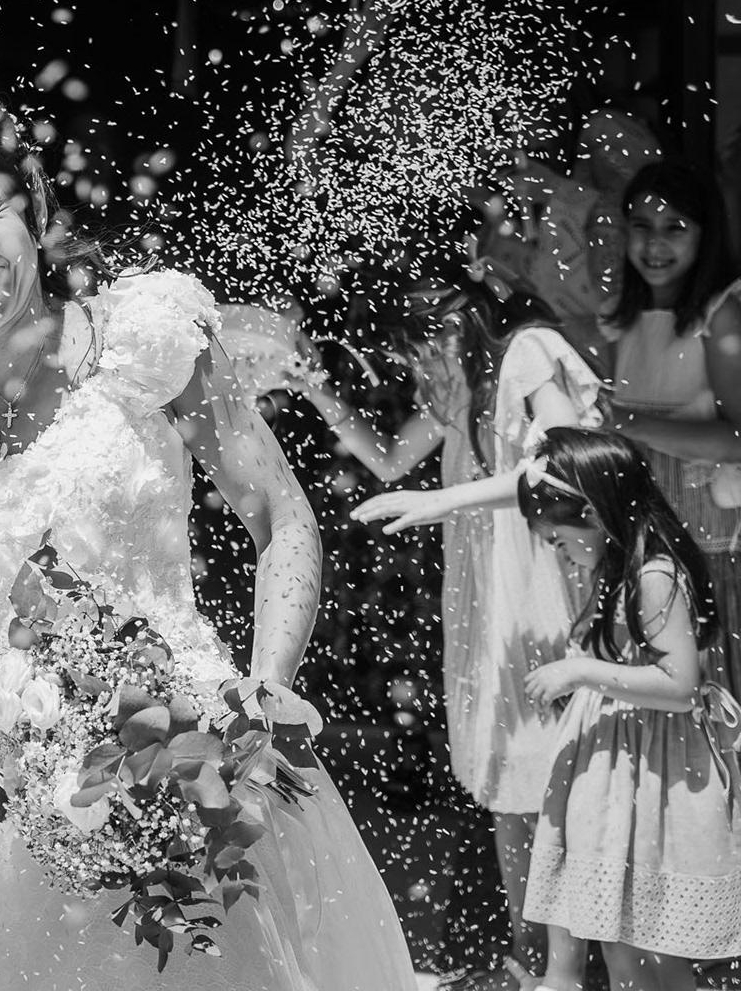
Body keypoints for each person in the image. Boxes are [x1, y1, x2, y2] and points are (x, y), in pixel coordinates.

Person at [0, 78, 412, 989]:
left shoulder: (145, 339)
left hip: (188, 757)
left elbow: (281, 517)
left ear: (34, 201)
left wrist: (259, 699)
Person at [284, 276, 600, 989]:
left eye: (427, 345)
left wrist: (443, 500)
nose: (423, 363)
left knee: (553, 779)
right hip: (489, 603)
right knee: (508, 776)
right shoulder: (462, 393)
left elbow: (565, 463)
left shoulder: (528, 351)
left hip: (542, 590)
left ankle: (564, 971)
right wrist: (316, 390)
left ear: (465, 321)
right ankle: (528, 961)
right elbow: (389, 457)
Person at [515, 427, 741, 991]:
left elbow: (681, 683)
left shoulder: (653, 576)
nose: (557, 549)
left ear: (593, 513)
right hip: (619, 776)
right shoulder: (614, 571)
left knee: (651, 948)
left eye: (558, 536)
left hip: (653, 780)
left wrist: (581, 671)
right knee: (622, 945)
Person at [590, 161, 741, 705]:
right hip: (638, 543)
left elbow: (737, 440)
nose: (655, 244)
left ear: (706, 233)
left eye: (675, 227)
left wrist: (628, 423)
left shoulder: (721, 315)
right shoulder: (618, 317)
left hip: (710, 546)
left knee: (714, 697)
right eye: (642, 226)